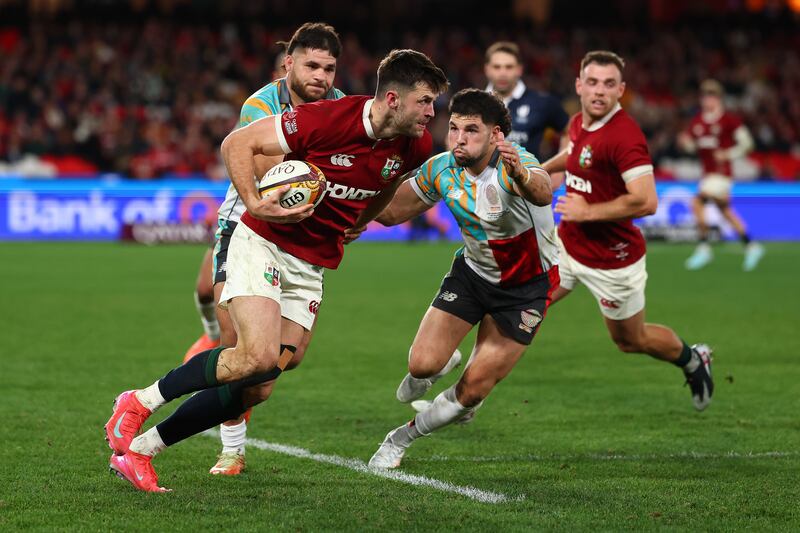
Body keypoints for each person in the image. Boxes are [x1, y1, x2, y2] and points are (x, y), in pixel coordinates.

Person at [104, 48, 449, 492]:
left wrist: (360, 219)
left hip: (312, 262)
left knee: (258, 386)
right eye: (425, 101)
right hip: (263, 242)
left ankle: (140, 451)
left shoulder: (415, 144)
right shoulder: (327, 119)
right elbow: (236, 144)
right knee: (256, 356)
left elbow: (386, 183)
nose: (432, 112)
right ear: (394, 99)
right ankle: (138, 401)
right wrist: (254, 202)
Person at [359, 89, 558, 469]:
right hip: (472, 275)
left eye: (471, 130)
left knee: (472, 392)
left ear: (496, 135)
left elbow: (542, 191)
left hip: (525, 290)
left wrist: (520, 173)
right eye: (453, 128)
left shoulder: (514, 163)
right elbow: (391, 212)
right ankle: (442, 361)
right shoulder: (442, 168)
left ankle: (400, 439)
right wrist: (353, 200)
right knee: (421, 366)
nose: (459, 138)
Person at [185, 23, 345, 478]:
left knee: (273, 363)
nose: (321, 76)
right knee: (237, 342)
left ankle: (213, 362)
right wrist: (319, 179)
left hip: (302, 238)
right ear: (288, 63)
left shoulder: (340, 108)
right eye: (312, 65)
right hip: (245, 226)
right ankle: (232, 450)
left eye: (329, 68)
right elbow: (269, 166)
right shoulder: (261, 104)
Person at [542, 51, 713, 412]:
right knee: (521, 305)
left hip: (612, 259)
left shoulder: (625, 137)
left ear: (621, 90)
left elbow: (647, 201)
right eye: (592, 82)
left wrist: (588, 212)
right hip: (567, 245)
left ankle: (692, 359)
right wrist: (540, 171)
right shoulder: (578, 121)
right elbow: (575, 153)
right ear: (579, 86)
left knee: (630, 340)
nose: (599, 91)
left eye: (608, 84)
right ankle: (465, 396)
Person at [181, 49, 291, 363]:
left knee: (252, 339)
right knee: (205, 290)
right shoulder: (259, 110)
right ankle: (210, 334)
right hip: (240, 218)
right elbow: (251, 162)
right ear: (276, 75)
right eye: (284, 69)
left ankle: (246, 388)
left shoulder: (320, 114)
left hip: (283, 227)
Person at [678, 79, 762, 271]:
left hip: (722, 175)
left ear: (719, 98)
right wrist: (685, 143)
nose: (707, 100)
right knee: (725, 211)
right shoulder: (698, 121)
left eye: (712, 96)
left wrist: (728, 154)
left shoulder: (728, 120)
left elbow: (748, 144)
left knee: (697, 202)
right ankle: (751, 245)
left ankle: (704, 248)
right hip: (707, 175)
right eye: (705, 96)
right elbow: (694, 147)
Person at [484, 41, 569, 160]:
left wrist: (555, 168)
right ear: (487, 69)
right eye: (497, 67)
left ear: (519, 69)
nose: (503, 73)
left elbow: (570, 131)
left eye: (509, 67)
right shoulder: (473, 104)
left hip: (527, 172)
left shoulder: (542, 102)